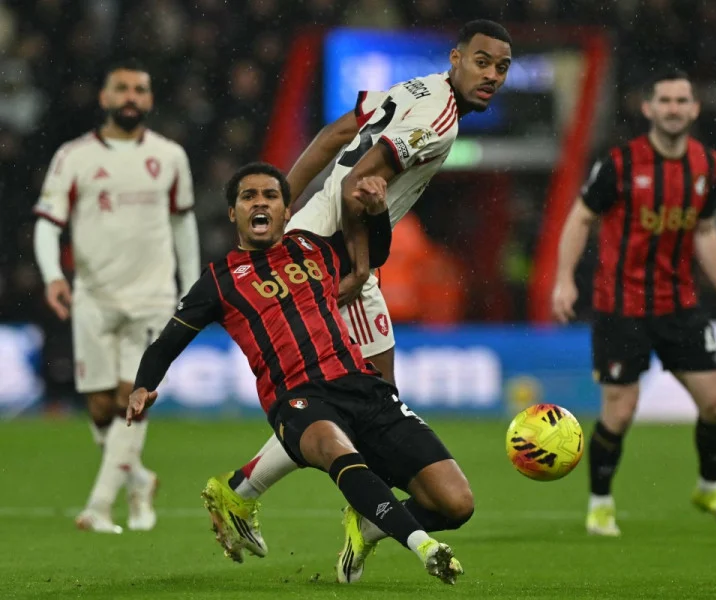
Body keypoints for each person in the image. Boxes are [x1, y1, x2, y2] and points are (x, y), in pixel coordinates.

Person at [201, 19, 512, 562]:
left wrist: (283, 212)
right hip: (332, 259)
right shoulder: (438, 118)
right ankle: (310, 504)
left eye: (502, 68)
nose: (491, 76)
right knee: (365, 402)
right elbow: (356, 184)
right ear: (456, 58)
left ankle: (250, 494)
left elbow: (332, 136)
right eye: (481, 62)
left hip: (317, 245)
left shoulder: (412, 87)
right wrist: (362, 265)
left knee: (363, 398)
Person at [127, 162, 473, 585]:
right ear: (233, 213)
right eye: (248, 196)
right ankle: (423, 546)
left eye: (270, 196)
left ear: (287, 211)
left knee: (456, 503)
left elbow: (375, 253)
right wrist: (143, 385)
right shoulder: (219, 282)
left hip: (362, 386)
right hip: (296, 400)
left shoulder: (315, 249)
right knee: (333, 446)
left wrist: (379, 211)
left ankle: (367, 525)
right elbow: (168, 341)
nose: (260, 203)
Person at [551, 69, 716, 537]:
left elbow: (704, 230)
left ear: (695, 108)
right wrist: (564, 279)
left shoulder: (708, 165)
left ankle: (708, 488)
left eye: (683, 100)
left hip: (681, 305)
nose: (674, 108)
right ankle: (600, 503)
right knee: (619, 412)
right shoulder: (620, 164)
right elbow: (581, 217)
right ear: (648, 108)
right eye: (665, 100)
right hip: (621, 308)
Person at [32, 58, 199, 534]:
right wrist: (51, 276)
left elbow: (182, 224)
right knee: (102, 407)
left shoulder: (169, 156)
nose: (131, 97)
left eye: (140, 90)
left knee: (133, 396)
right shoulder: (74, 156)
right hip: (93, 296)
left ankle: (99, 506)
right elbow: (48, 225)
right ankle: (139, 481)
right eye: (122, 89)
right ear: (104, 98)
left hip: (151, 297)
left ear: (149, 99)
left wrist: (189, 288)